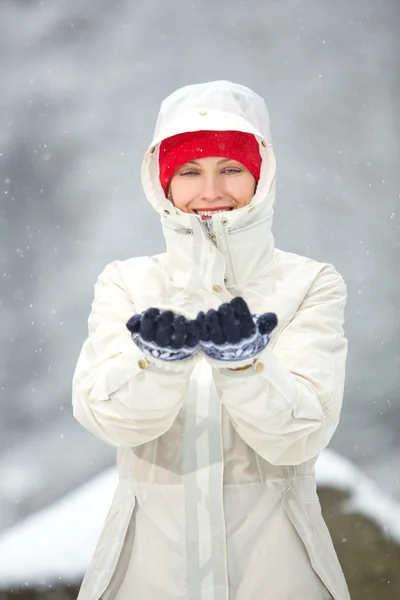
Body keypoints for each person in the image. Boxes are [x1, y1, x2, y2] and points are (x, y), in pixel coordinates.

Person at [72, 80, 350, 600]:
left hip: (278, 566)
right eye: (189, 172)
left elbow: (298, 436)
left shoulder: (309, 283)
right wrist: (155, 365)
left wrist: (247, 365)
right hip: (146, 568)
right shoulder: (127, 283)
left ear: (261, 177)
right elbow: (106, 418)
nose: (211, 191)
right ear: (162, 183)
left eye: (231, 169)